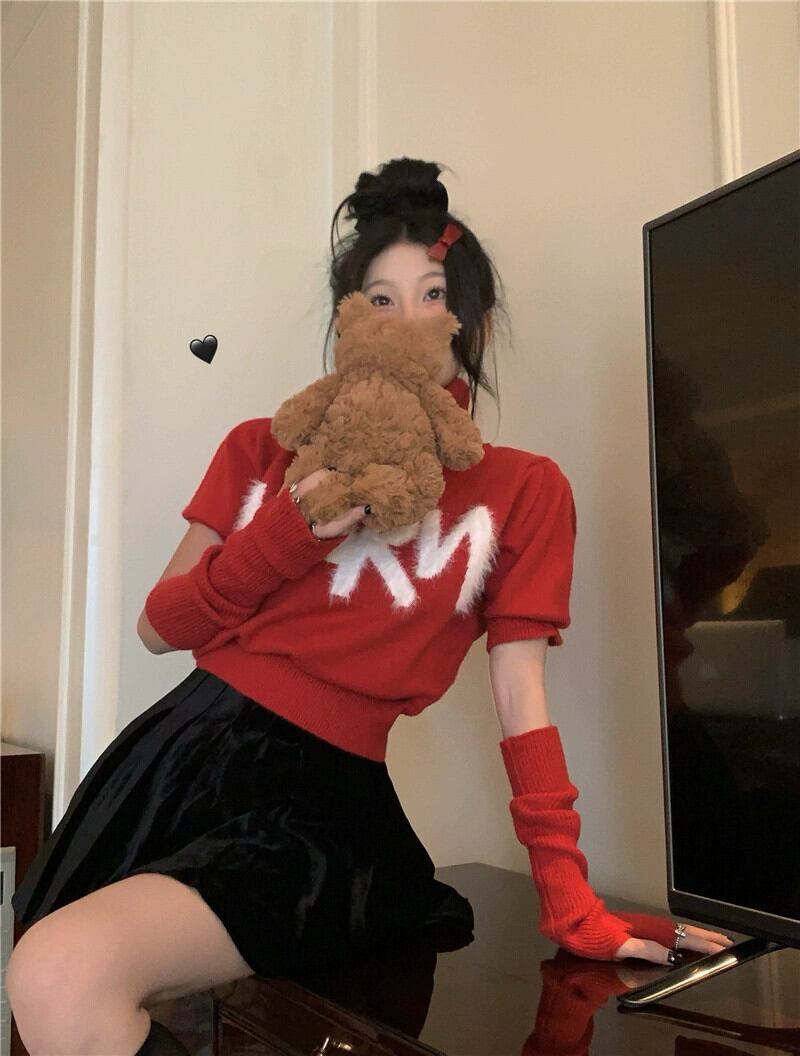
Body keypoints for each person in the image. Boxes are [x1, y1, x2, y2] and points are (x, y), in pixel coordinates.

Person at [7, 157, 732, 1056]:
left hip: (316, 806)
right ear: (349, 323)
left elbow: (521, 697)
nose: (406, 323)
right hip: (177, 760)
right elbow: (158, 628)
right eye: (380, 300)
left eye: (433, 296)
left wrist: (565, 893)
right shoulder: (264, 449)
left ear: (474, 323)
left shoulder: (522, 490)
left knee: (58, 973)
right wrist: (284, 536)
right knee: (61, 983)